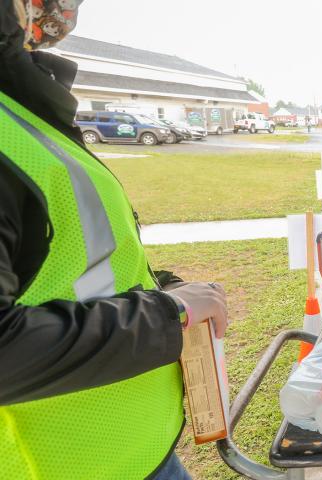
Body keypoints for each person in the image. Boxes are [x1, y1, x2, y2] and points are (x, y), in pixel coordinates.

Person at [0, 1, 229, 478]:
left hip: (136, 451)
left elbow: (69, 265)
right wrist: (170, 313)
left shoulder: (23, 110)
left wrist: (161, 289)